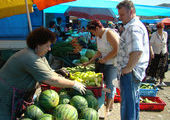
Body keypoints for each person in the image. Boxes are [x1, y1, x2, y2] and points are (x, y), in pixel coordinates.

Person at [0, 27, 86, 120]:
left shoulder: (39, 55)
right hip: (6, 94)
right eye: (47, 45)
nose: (49, 49)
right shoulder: (29, 57)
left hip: (18, 92)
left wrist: (56, 72)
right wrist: (74, 84)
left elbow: (49, 72)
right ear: (38, 45)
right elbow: (51, 80)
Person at [116, 1, 150, 120]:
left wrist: (127, 69)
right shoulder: (134, 25)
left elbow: (137, 51)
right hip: (133, 72)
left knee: (128, 106)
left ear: (131, 12)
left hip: (130, 73)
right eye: (119, 15)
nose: (120, 18)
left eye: (122, 15)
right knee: (133, 104)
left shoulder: (133, 27)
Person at [83, 20, 120, 114]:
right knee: (102, 85)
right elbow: (99, 52)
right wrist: (89, 62)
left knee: (111, 85)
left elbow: (117, 49)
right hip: (104, 64)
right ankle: (107, 103)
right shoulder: (98, 36)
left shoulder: (109, 33)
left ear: (97, 28)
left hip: (114, 64)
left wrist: (106, 59)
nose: (93, 35)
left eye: (93, 32)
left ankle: (107, 108)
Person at [147, 22, 168, 87]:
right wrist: (152, 52)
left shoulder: (165, 34)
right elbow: (150, 44)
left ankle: (161, 81)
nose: (160, 30)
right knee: (154, 65)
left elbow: (165, 43)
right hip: (156, 52)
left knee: (163, 66)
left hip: (163, 52)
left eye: (161, 28)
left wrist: (166, 51)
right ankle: (153, 77)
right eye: (159, 29)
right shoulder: (154, 34)